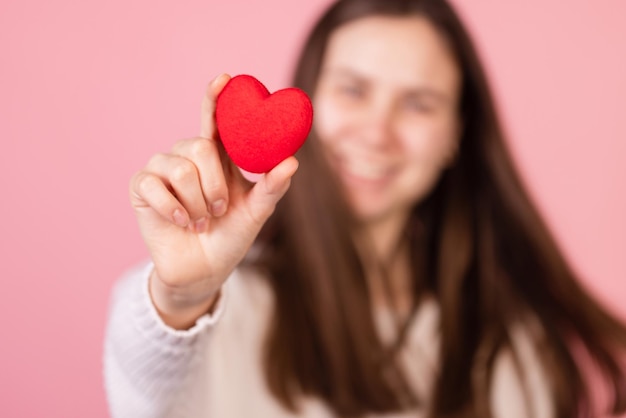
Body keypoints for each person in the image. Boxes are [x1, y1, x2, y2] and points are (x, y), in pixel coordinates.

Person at [103, 0, 626, 417]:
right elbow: (144, 390)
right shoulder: (227, 311)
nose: (377, 132)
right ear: (308, 103)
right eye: (353, 90)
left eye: (419, 103)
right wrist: (182, 296)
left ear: (456, 135)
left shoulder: (513, 340)